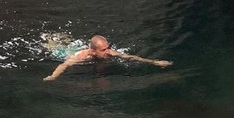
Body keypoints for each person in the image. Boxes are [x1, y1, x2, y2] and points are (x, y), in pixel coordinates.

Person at [43, 35, 172, 81]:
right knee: (53, 48)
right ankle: (49, 39)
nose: (108, 52)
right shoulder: (82, 56)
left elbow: (132, 57)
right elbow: (63, 65)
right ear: (93, 51)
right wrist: (53, 76)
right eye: (103, 50)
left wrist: (155, 62)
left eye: (108, 48)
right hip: (65, 53)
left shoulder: (110, 52)